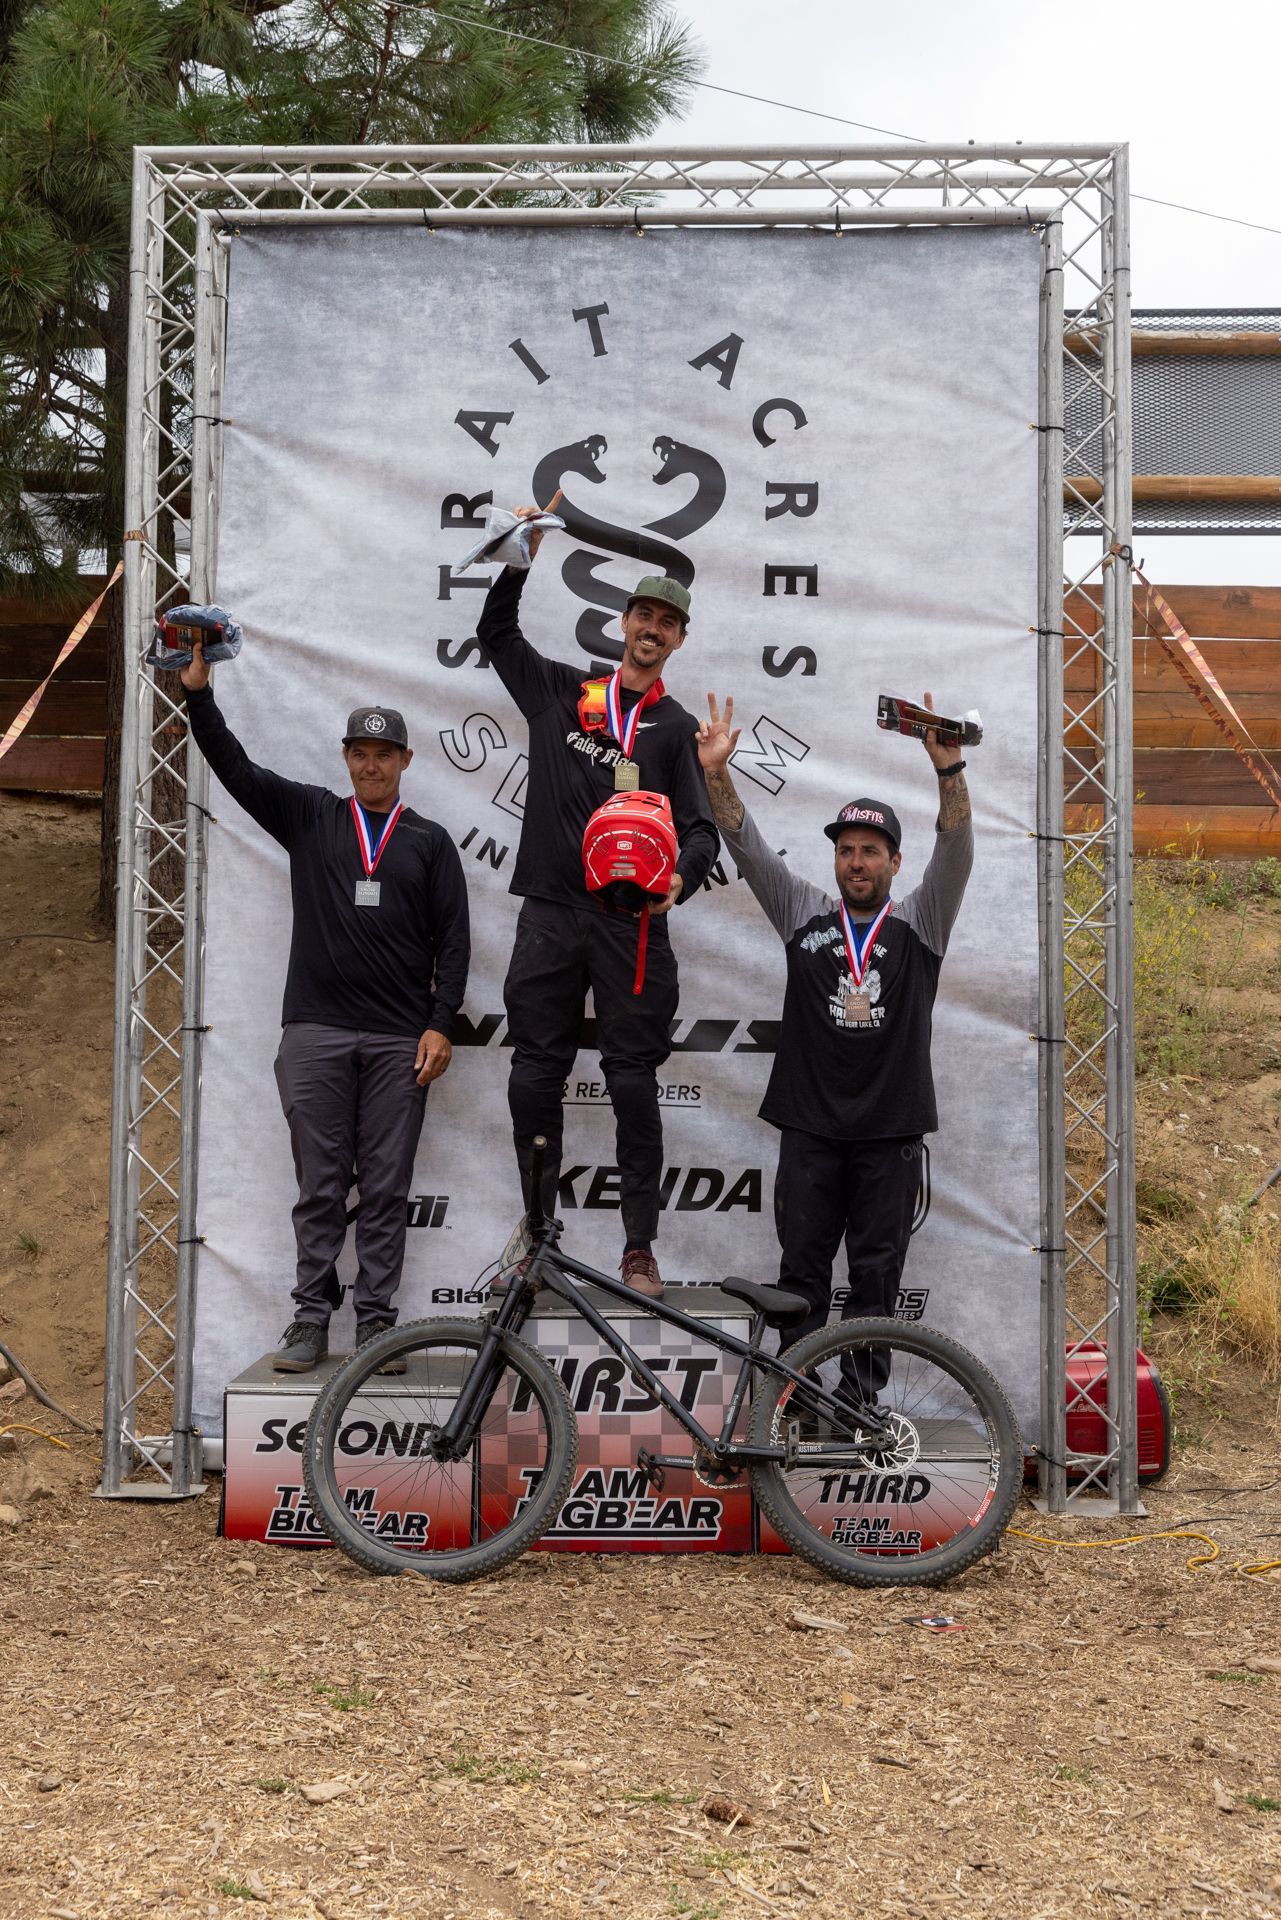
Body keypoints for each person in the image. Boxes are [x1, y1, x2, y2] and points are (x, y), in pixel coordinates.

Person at [180, 638, 470, 1373]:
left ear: (405, 761)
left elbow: (456, 943)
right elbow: (236, 770)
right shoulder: (310, 817)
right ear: (345, 759)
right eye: (359, 752)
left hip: (399, 1040)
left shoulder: (431, 843)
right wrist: (199, 695)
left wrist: (440, 1025)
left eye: (384, 752)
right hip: (313, 1031)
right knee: (318, 1185)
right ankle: (311, 1318)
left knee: (385, 1187)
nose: (371, 764)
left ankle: (375, 1324)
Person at [696, 692, 973, 1394]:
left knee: (876, 1277)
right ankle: (794, 1394)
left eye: (870, 852)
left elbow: (956, 849)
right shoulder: (800, 912)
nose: (855, 862)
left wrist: (948, 771)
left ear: (893, 862)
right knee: (801, 1274)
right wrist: (716, 775)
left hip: (890, 1132)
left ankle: (858, 1403)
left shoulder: (921, 923)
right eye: (846, 851)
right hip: (811, 1128)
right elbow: (746, 848)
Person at [476, 506, 719, 1298]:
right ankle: (540, 1239)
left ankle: (639, 1249)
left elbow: (700, 833)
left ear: (678, 639)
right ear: (622, 622)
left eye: (667, 622)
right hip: (548, 912)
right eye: (643, 614)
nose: (652, 629)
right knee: (534, 1073)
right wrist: (521, 558)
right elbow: (498, 640)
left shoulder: (674, 728)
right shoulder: (562, 694)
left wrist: (679, 874)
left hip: (628, 928)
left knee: (631, 1082)